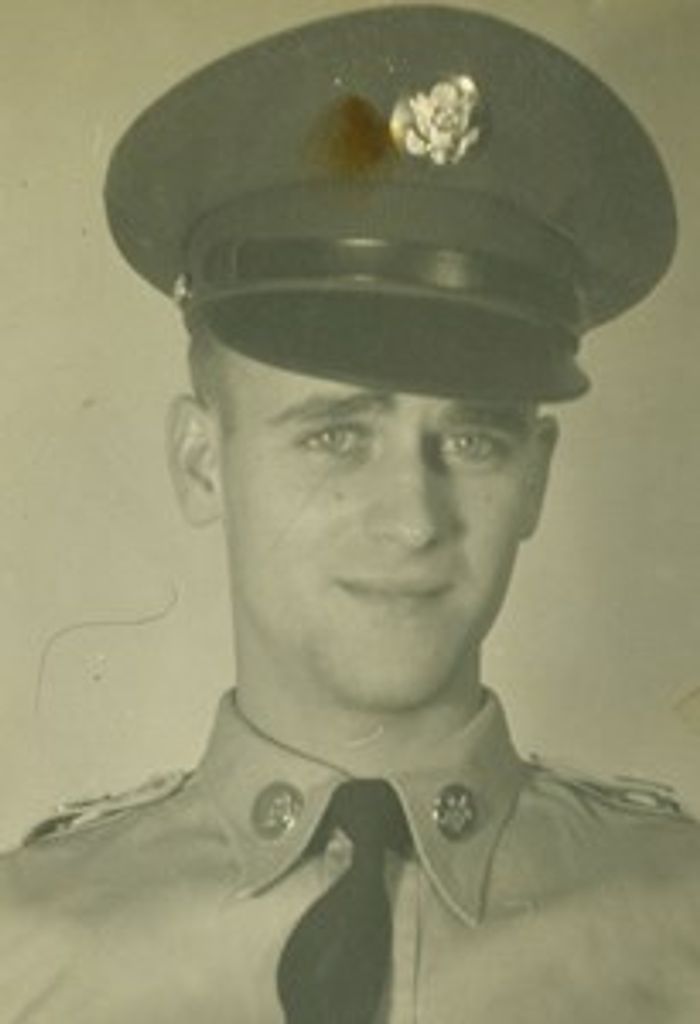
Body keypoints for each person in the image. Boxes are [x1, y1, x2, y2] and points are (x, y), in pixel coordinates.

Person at [1, 5, 698, 1022]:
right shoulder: (23, 952)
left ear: (536, 480)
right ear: (201, 462)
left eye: (472, 440)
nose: (412, 519)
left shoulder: (680, 932)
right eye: (336, 436)